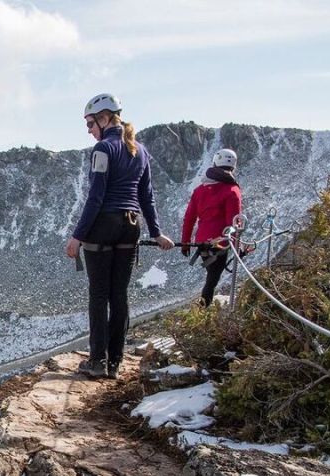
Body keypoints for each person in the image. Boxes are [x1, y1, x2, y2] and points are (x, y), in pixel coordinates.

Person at [66, 93, 174, 379]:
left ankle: (97, 362)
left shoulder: (103, 149)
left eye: (90, 123)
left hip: (103, 226)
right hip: (131, 225)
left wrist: (77, 236)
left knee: (99, 296)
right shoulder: (140, 150)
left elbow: (96, 197)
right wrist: (156, 232)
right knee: (120, 295)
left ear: (104, 119)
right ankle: (115, 363)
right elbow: (146, 196)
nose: (89, 130)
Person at [180, 148, 242, 306]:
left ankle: (203, 308)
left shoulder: (199, 190)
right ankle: (203, 310)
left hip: (202, 242)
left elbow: (189, 218)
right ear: (233, 167)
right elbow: (234, 223)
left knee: (212, 276)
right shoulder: (232, 191)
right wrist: (237, 246)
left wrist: (186, 242)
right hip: (221, 242)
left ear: (215, 163)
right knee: (212, 280)